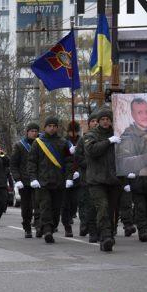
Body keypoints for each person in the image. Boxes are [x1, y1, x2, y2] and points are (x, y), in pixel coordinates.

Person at [83, 107, 122, 252]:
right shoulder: (91, 135)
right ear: (98, 121)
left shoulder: (117, 133)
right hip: (96, 180)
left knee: (111, 210)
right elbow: (92, 151)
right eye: (103, 120)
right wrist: (108, 141)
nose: (106, 122)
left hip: (113, 179)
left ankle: (109, 234)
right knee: (103, 207)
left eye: (108, 119)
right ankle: (105, 237)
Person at [28, 117, 72, 243]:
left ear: (57, 128)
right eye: (49, 126)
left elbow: (69, 162)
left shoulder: (63, 142)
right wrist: (33, 178)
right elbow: (32, 162)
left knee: (56, 207)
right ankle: (47, 229)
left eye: (54, 125)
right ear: (45, 127)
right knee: (45, 205)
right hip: (43, 181)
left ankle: (51, 227)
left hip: (59, 181)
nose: (52, 128)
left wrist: (69, 177)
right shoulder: (38, 143)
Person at [11, 123, 40, 238]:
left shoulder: (41, 144)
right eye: (32, 131)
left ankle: (38, 226)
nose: (34, 133)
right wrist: (17, 179)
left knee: (39, 205)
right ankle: (27, 227)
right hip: (25, 181)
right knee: (26, 207)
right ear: (27, 132)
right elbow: (13, 164)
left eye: (36, 131)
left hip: (38, 180)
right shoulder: (19, 146)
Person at [75, 113, 99, 242]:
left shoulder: (104, 137)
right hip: (87, 177)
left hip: (101, 177)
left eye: (97, 121)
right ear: (89, 124)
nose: (95, 123)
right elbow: (78, 157)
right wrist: (89, 163)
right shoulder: (83, 139)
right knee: (87, 204)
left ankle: (99, 229)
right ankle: (87, 226)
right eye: (93, 121)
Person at [59, 122, 81, 238]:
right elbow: (61, 158)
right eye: (72, 131)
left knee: (74, 202)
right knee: (65, 203)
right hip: (65, 176)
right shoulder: (63, 142)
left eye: (76, 131)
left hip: (78, 176)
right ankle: (67, 226)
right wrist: (69, 152)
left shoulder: (81, 141)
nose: (74, 133)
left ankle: (72, 215)